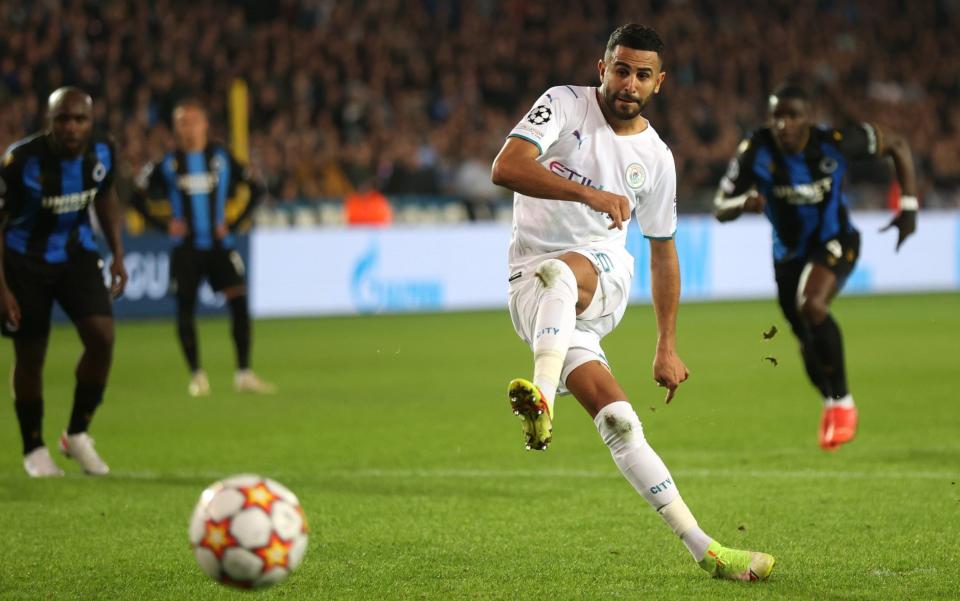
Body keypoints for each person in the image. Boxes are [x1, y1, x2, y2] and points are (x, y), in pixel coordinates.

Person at [491, 24, 775, 581]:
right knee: (620, 421)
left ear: (659, 83)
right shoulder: (563, 105)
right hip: (531, 292)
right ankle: (707, 549)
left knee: (562, 271)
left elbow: (663, 251)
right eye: (621, 69)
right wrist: (589, 193)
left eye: (643, 75)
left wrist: (666, 346)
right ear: (603, 68)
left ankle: (541, 400)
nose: (630, 83)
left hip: (602, 274)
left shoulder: (657, 158)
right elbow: (506, 168)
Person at [713, 84, 918, 450]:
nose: (784, 124)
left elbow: (898, 145)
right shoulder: (755, 150)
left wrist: (910, 207)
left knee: (812, 305)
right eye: (777, 115)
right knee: (807, 343)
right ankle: (830, 401)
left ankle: (844, 403)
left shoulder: (836, 142)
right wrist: (743, 201)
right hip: (788, 257)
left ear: (809, 117)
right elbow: (719, 205)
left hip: (836, 240)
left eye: (792, 115)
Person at [0, 87, 127, 477]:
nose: (71, 127)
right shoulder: (19, 161)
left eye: (79, 119)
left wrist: (117, 253)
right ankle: (34, 448)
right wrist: (2, 289)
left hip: (76, 255)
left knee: (102, 337)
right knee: (31, 355)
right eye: (62, 120)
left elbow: (105, 197)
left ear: (91, 122)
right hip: (24, 263)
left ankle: (77, 433)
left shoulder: (103, 150)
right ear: (49, 122)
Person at [135, 99, 274, 396]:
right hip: (186, 249)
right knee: (185, 310)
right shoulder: (168, 164)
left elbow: (258, 189)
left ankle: (244, 373)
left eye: (193, 121)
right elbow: (136, 195)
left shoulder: (222, 158)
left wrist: (235, 225)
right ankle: (197, 375)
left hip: (220, 246)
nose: (189, 127)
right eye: (182, 122)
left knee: (239, 302)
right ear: (176, 128)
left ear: (205, 124)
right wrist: (162, 225)